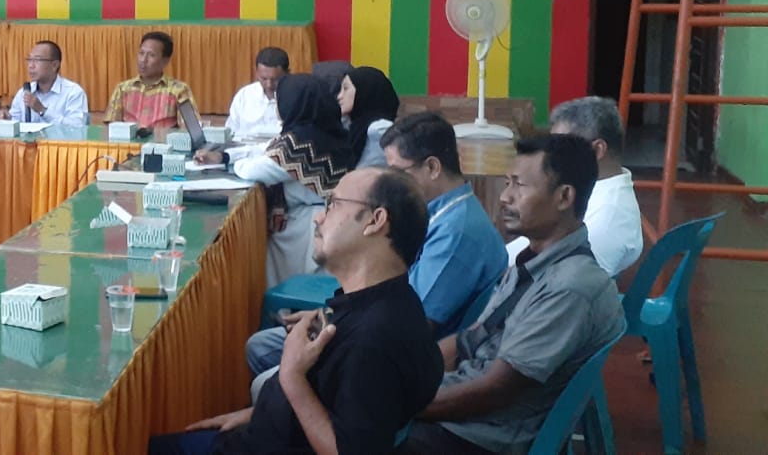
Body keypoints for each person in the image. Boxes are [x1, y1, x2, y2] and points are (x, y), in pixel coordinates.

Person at [149, 168, 444, 455]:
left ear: (375, 220)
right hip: (263, 431)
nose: (319, 217)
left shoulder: (373, 339)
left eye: (333, 204)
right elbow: (336, 405)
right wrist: (255, 414)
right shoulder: (390, 303)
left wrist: (292, 375)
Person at [244, 112, 509, 394]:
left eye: (397, 173)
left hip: (391, 357)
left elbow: (409, 324)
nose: (390, 183)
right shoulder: (442, 213)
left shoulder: (457, 233)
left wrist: (332, 328)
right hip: (372, 326)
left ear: (432, 167)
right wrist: (328, 316)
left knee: (265, 377)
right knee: (261, 346)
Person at [400, 134, 624, 455]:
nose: (505, 197)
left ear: (564, 197)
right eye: (507, 183)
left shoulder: (570, 288)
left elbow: (494, 390)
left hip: (482, 436)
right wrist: (400, 372)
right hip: (463, 410)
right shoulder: (532, 262)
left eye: (519, 185)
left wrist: (397, 405)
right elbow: (469, 341)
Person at [199, 74, 353, 287]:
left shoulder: (299, 145)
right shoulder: (321, 131)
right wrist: (224, 156)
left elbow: (254, 169)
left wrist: (235, 163)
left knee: (264, 260)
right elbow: (267, 149)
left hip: (310, 228)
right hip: (326, 220)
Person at [504, 96, 644, 277]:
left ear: (597, 150)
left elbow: (559, 282)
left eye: (562, 149)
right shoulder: (595, 189)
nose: (551, 157)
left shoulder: (606, 220)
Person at [102, 31, 196, 131]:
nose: (143, 60)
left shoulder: (179, 90)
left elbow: (190, 129)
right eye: (141, 53)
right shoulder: (122, 89)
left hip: (164, 141)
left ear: (165, 61)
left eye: (151, 55)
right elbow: (110, 127)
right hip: (129, 141)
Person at [6, 40, 89, 128]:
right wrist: (6, 120)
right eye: (29, 59)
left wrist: (42, 111)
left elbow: (77, 128)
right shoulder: (23, 92)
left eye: (37, 60)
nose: (30, 65)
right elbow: (14, 124)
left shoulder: (73, 92)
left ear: (54, 65)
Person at [339, 66, 401, 168]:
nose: (340, 96)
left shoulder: (378, 129)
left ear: (363, 91)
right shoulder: (353, 126)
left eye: (345, 88)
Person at [226, 47, 288, 140]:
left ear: (287, 73)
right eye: (264, 79)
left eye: (275, 79)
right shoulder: (244, 95)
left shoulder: (296, 97)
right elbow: (230, 131)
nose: (269, 85)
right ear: (256, 73)